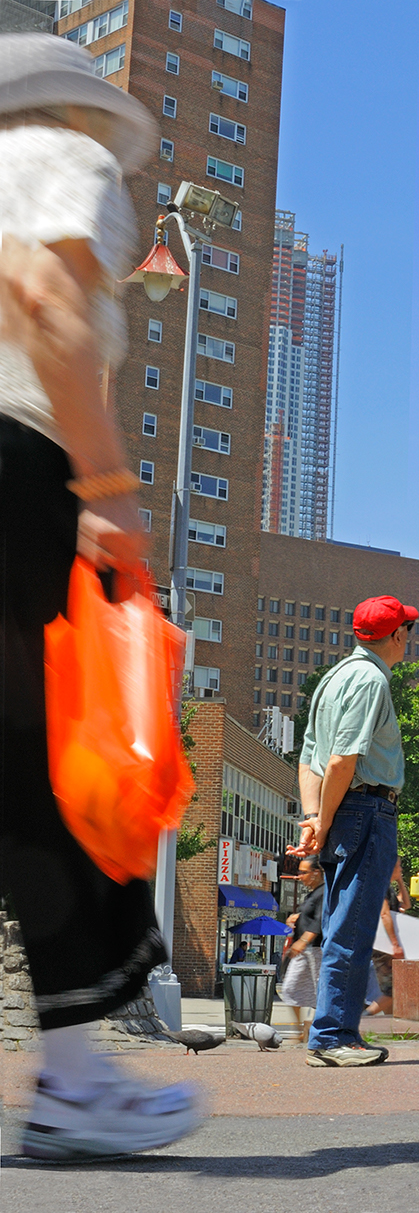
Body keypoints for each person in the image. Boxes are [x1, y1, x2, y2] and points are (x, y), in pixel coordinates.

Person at [0, 34, 197, 1161]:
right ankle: (75, 1074)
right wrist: (110, 489)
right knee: (56, 773)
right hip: (20, 465)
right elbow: (48, 300)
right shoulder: (52, 162)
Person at [289, 595, 417, 1067]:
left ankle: (335, 1034)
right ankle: (333, 1038)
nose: (409, 637)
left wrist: (313, 818)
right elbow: (342, 758)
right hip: (365, 807)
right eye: (408, 629)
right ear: (397, 635)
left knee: (346, 922)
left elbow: (309, 756)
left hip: (344, 810)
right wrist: (322, 819)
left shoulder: (335, 677)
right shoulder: (369, 680)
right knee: (354, 925)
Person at [279, 858, 324, 1036]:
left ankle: (312, 1027)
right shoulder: (312, 894)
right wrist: (295, 917)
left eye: (303, 872)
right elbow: (309, 915)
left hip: (316, 948)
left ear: (316, 873)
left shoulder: (324, 893)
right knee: (290, 988)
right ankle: (300, 1028)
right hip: (304, 951)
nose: (299, 876)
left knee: (320, 991)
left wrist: (304, 940)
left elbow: (320, 921)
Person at [365, 857, 411, 1018]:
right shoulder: (380, 887)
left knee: (390, 990)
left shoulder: (387, 887)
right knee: (393, 990)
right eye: (398, 867)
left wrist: (400, 881)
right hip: (384, 946)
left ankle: (387, 1025)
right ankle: (365, 1018)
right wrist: (395, 944)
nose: (401, 870)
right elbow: (384, 914)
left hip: (383, 945)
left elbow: (406, 904)